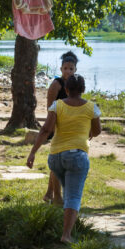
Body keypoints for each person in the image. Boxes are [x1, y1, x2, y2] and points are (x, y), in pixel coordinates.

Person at [27, 74, 101, 243]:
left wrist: (33, 152)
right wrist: (87, 132)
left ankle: (60, 219)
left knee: (69, 193)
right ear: (83, 90)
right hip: (77, 156)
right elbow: (97, 131)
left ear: (66, 89)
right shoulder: (91, 107)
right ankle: (66, 235)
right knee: (74, 197)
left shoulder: (57, 105)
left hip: (55, 158)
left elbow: (46, 130)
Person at [42, 51, 79, 204]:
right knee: (57, 161)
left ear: (75, 70)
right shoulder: (56, 85)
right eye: (65, 68)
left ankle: (49, 193)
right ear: (61, 69)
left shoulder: (76, 84)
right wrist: (54, 128)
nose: (68, 71)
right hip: (57, 127)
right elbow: (50, 108)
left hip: (71, 128)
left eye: (71, 69)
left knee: (59, 161)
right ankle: (56, 196)